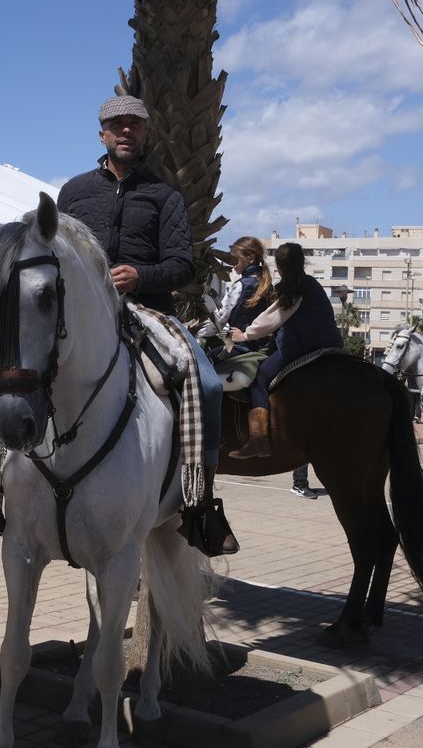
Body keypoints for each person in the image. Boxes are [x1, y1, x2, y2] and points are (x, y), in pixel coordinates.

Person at [57, 94, 235, 556]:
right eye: (116, 125)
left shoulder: (165, 194)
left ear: (146, 133)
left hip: (150, 312)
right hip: (83, 313)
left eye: (134, 124)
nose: (126, 132)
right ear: (102, 134)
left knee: (210, 384)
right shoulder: (74, 192)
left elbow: (182, 266)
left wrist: (141, 276)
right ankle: (8, 484)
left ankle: (200, 503)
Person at [230, 242, 344, 458]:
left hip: (305, 347)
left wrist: (245, 335)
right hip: (332, 344)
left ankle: (258, 440)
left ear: (280, 267)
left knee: (260, 376)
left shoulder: (292, 287)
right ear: (302, 262)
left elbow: (272, 318)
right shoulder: (311, 283)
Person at [199, 236, 272, 354]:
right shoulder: (266, 283)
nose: (232, 263)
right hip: (260, 346)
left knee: (204, 363)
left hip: (240, 346)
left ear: (251, 258)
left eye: (235, 259)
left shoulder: (241, 285)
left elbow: (220, 318)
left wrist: (198, 334)